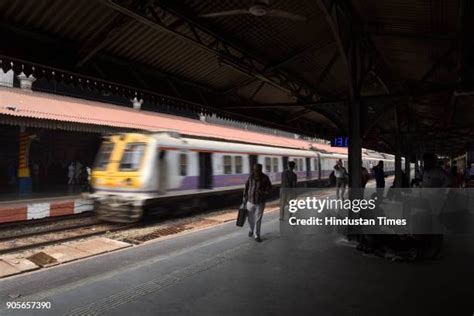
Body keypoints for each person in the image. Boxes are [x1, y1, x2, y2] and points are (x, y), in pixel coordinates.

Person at [243, 163, 272, 242]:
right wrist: (244, 197)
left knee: (258, 219)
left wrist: (263, 192)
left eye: (257, 170)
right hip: (250, 201)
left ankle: (257, 235)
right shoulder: (251, 177)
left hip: (260, 202)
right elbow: (246, 186)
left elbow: (269, 188)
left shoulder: (265, 178)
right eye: (254, 169)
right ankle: (251, 230)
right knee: (249, 218)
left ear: (260, 170)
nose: (255, 171)